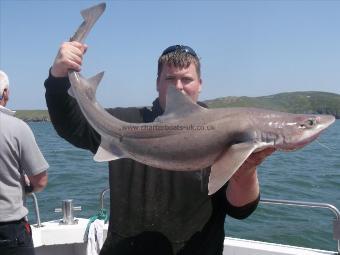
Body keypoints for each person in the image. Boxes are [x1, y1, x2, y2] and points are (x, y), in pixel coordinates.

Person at [44, 42, 275, 255]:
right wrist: (58, 77)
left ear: (200, 85)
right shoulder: (127, 124)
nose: (178, 87)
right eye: (170, 79)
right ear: (157, 83)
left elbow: (240, 210)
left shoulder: (225, 131)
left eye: (186, 79)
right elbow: (71, 125)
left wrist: (246, 171)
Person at [0, 70, 49, 255]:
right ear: (5, 93)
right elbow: (41, 180)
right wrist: (26, 187)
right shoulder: (17, 128)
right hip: (10, 231)